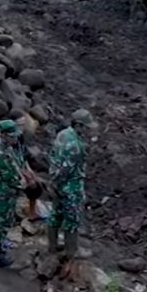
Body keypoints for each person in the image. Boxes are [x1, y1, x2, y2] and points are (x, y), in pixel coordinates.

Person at [48, 109, 96, 260]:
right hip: (70, 187)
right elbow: (66, 169)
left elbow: (54, 157)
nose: (88, 130)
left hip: (56, 182)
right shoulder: (76, 146)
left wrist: (53, 184)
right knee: (72, 219)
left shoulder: (62, 134)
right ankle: (72, 252)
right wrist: (61, 184)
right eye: (86, 127)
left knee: (55, 215)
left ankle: (52, 247)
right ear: (79, 125)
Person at [0, 120, 29, 267]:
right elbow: (9, 176)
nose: (15, 139)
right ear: (4, 135)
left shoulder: (6, 146)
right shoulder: (0, 152)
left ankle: (1, 241)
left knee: (7, 218)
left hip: (8, 190)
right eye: (12, 136)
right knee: (1, 220)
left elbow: (16, 164)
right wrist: (24, 184)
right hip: (4, 190)